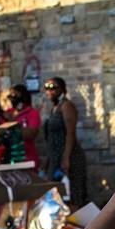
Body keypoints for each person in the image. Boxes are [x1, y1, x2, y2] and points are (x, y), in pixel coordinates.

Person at [43, 76, 88, 207]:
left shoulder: (67, 106)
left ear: (62, 89)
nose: (49, 91)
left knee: (73, 194)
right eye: (47, 88)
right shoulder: (54, 108)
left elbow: (70, 133)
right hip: (55, 156)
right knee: (56, 195)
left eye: (53, 88)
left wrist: (66, 158)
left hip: (69, 156)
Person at [0, 84, 41, 168]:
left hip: (26, 157)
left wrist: (11, 129)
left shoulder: (32, 113)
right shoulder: (8, 113)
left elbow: (31, 133)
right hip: (8, 157)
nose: (12, 98)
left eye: (14, 95)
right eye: (10, 96)